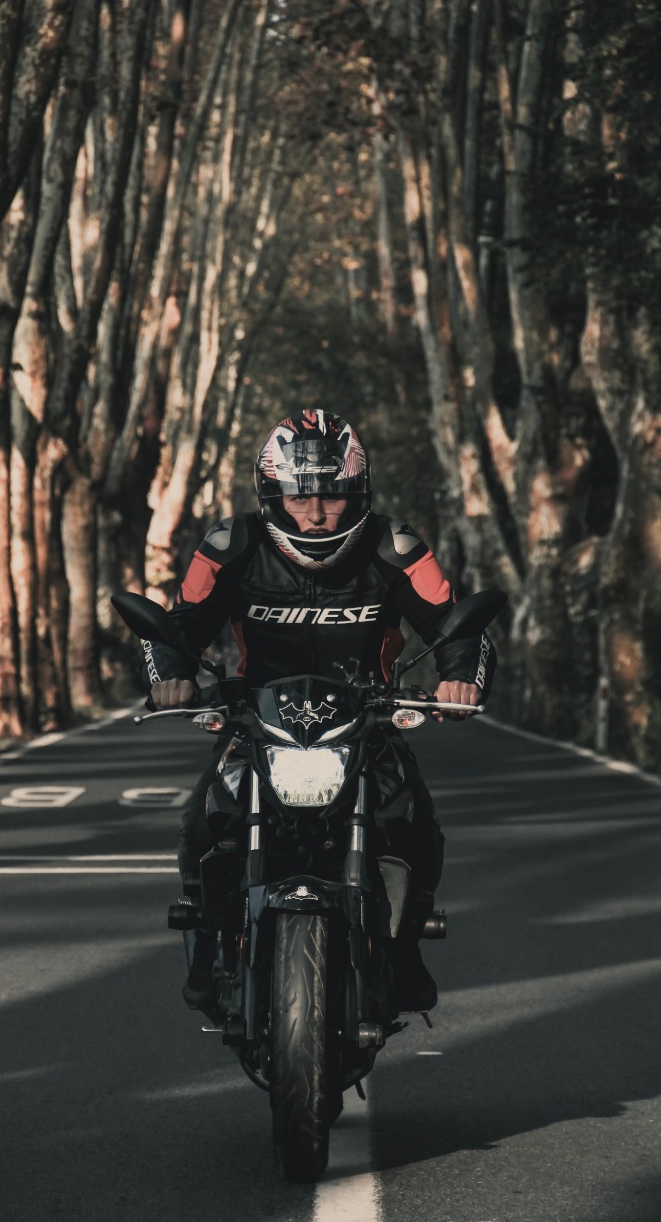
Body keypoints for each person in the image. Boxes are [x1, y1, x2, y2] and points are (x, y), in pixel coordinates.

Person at [140, 408, 496, 1012]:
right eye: (300, 496)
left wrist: (459, 680)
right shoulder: (229, 545)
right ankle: (207, 939)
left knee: (417, 825)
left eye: (333, 494)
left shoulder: (395, 545)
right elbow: (178, 626)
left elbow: (455, 625)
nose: (316, 512)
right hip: (256, 718)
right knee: (203, 822)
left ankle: (404, 947)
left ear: (359, 492)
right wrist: (171, 678)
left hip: (369, 718)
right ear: (271, 494)